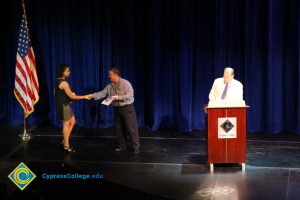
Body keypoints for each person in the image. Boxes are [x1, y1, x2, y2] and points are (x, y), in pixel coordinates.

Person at [90, 68, 140, 153]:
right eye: (109, 74)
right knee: (119, 128)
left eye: (110, 74)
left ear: (116, 74)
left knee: (131, 128)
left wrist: (119, 98)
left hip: (127, 108)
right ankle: (122, 146)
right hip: (117, 109)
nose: (109, 76)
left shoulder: (126, 83)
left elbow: (130, 95)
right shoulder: (110, 86)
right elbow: (102, 93)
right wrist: (92, 95)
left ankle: (136, 147)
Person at [54, 64, 91, 152]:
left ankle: (64, 140)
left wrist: (67, 99)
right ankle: (66, 145)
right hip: (63, 106)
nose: (69, 72)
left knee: (73, 121)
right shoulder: (64, 83)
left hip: (64, 104)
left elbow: (56, 94)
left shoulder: (57, 81)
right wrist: (84, 96)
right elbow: (71, 96)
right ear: (62, 72)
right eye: (67, 71)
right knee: (66, 124)